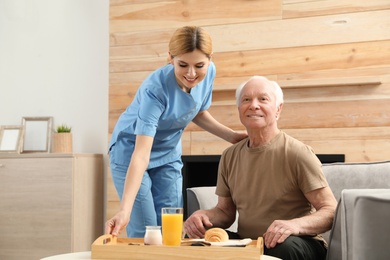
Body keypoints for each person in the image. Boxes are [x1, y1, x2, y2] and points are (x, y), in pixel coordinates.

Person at [105, 26, 247, 238]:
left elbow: (195, 110)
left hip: (168, 154)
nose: (191, 74)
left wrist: (231, 136)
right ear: (170, 58)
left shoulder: (209, 73)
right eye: (183, 65)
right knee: (147, 229)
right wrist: (124, 210)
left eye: (199, 65)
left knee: (170, 226)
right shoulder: (155, 90)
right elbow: (141, 154)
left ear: (210, 59)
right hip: (131, 153)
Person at [184, 76, 337, 260]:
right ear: (239, 109)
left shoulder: (297, 153)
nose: (253, 105)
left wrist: (294, 226)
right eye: (246, 100)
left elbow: (331, 210)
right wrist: (203, 216)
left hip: (296, 243)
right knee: (200, 243)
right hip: (250, 243)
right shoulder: (229, 156)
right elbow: (225, 213)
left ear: (278, 109)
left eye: (263, 99)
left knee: (281, 247)